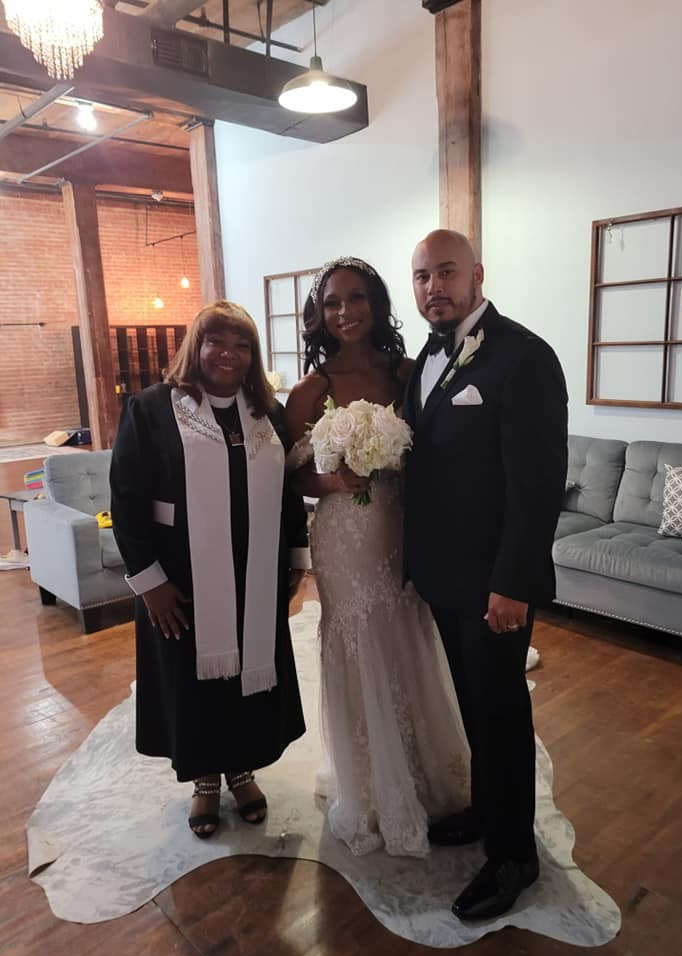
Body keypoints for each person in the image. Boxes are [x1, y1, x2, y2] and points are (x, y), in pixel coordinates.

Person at [403, 230, 568, 920]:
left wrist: (514, 583)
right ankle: (487, 808)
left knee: (500, 711)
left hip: (495, 582)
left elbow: (537, 485)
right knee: (473, 706)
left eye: (446, 272)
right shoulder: (425, 357)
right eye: (421, 276)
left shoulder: (523, 356)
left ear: (477, 275)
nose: (433, 287)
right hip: (442, 575)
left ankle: (513, 856)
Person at [285, 257, 470, 858]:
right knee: (358, 636)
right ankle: (369, 784)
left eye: (356, 298)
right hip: (344, 533)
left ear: (377, 304)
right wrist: (333, 481)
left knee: (408, 630)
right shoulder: (312, 389)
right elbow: (291, 475)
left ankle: (421, 766)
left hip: (404, 525)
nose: (345, 312)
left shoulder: (406, 372)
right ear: (320, 315)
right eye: (332, 303)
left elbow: (435, 452)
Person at [110, 300, 309, 839]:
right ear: (195, 346)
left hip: (256, 571)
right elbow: (126, 499)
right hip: (181, 579)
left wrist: (297, 555)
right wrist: (149, 582)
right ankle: (204, 779)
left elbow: (288, 490)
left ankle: (241, 770)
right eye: (216, 340)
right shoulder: (152, 409)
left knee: (246, 678)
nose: (229, 353)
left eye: (242, 344)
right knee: (195, 683)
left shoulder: (267, 413)